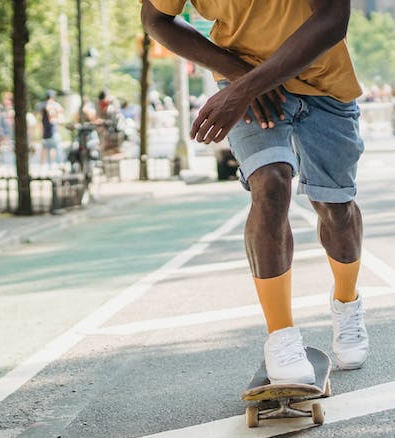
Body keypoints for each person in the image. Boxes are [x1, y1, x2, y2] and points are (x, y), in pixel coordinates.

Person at [142, 0, 369, 383]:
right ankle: (281, 337)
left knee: (336, 207)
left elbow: (333, 18)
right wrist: (239, 75)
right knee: (271, 184)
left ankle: (347, 304)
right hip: (244, 78)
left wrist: (247, 85)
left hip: (323, 82)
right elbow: (156, 19)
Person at [37, 90, 63, 170]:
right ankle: (56, 164)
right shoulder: (50, 106)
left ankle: (50, 165)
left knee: (49, 148)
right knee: (54, 147)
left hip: (49, 131)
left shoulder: (43, 106)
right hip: (50, 130)